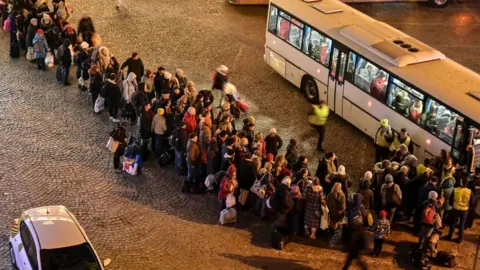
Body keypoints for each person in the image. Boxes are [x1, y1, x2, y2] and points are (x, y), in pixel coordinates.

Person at [447, 178, 475, 243]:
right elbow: (472, 202)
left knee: (453, 223)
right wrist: (468, 207)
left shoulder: (455, 190)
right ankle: (460, 238)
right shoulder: (470, 191)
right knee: (462, 224)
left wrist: (452, 205)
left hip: (456, 208)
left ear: (461, 183)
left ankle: (450, 235)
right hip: (464, 210)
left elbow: (450, 199)